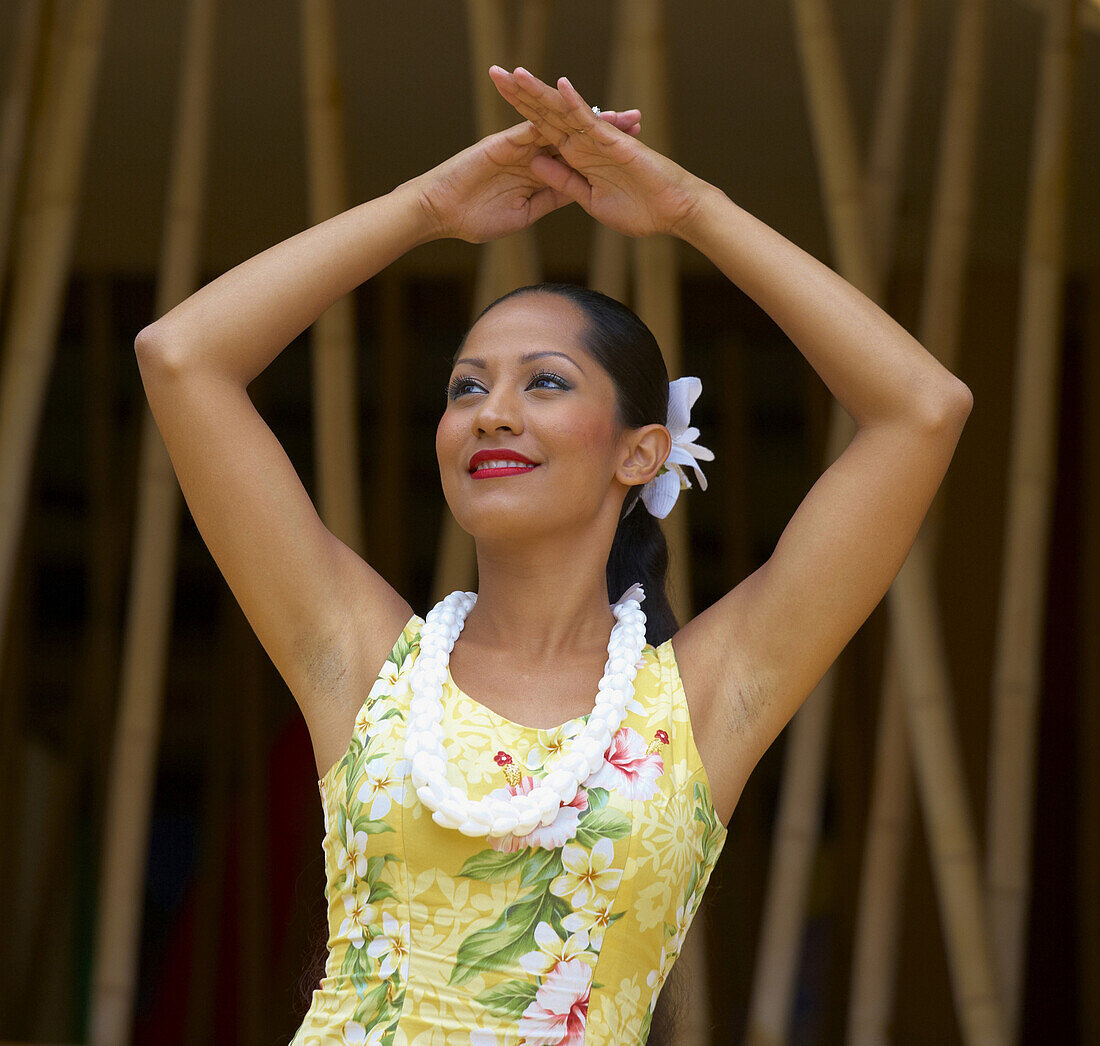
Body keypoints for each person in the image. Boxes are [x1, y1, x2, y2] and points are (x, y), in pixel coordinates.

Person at [134, 66, 972, 1046]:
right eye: (464, 387)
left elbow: (922, 409)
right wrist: (426, 208)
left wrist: (690, 209)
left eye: (543, 381)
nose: (491, 409)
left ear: (640, 448)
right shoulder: (365, 666)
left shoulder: (701, 702)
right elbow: (181, 356)